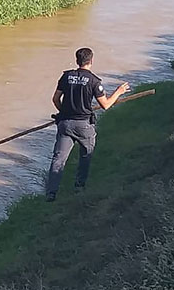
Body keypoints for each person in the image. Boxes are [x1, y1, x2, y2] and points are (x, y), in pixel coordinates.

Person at [44, 47, 129, 202]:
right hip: (84, 126)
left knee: (58, 159)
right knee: (85, 156)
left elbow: (55, 99)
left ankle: (51, 192)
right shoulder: (95, 81)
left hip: (65, 124)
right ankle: (79, 187)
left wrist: (64, 113)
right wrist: (119, 91)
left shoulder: (66, 76)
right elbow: (106, 105)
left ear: (77, 60)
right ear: (91, 61)